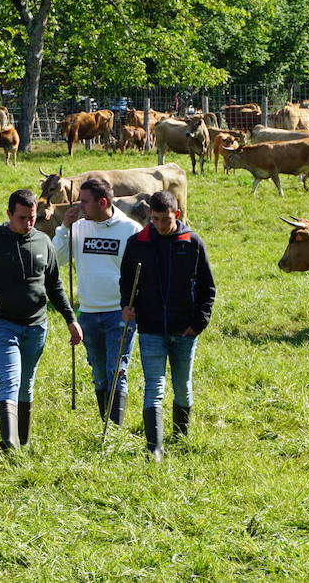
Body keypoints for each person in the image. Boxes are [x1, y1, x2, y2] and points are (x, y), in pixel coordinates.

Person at [0, 189, 83, 450]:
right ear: (9, 214)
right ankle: (9, 444)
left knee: (26, 383)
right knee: (9, 380)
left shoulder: (43, 242)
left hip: (36, 327)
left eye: (32, 218)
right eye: (22, 218)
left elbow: (54, 285)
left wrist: (71, 319)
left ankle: (22, 441)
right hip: (1, 324)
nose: (28, 223)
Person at [120, 190, 215, 462]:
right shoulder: (137, 243)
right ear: (150, 215)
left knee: (182, 384)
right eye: (156, 219)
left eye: (166, 220)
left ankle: (181, 435)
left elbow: (209, 288)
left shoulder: (192, 242)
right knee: (154, 386)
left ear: (177, 215)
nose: (161, 225)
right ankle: (155, 448)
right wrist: (126, 305)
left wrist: (198, 324)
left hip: (185, 330)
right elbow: (126, 282)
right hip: (150, 329)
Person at [52, 176, 140, 426]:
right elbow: (56, 260)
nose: (79, 206)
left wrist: (133, 306)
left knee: (117, 371)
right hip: (88, 313)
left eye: (85, 202)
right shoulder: (78, 228)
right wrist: (64, 229)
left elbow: (141, 273)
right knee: (99, 373)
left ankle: (114, 427)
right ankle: (106, 423)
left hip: (119, 313)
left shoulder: (130, 230)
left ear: (102, 202)